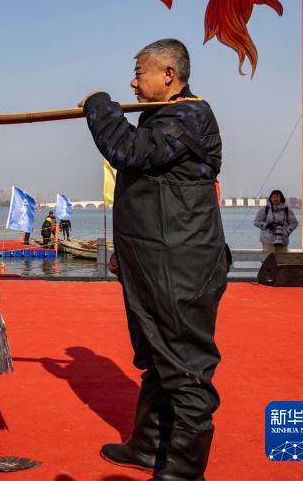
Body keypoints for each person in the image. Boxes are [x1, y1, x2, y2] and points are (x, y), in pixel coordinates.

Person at [80, 38, 227, 481]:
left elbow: (128, 150)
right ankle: (147, 446)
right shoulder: (163, 118)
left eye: (139, 72)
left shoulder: (190, 115)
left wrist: (100, 105)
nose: (133, 82)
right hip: (152, 262)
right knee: (155, 356)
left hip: (181, 267)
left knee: (184, 365)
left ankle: (184, 471)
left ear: (168, 75)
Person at [253, 190, 299, 257]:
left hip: (282, 240)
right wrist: (267, 225)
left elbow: (294, 223)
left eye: (277, 197)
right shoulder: (265, 209)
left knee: (281, 261)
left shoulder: (287, 210)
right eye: (273, 197)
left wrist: (286, 232)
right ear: (270, 198)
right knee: (268, 260)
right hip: (267, 240)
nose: (275, 199)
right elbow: (256, 222)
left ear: (281, 198)